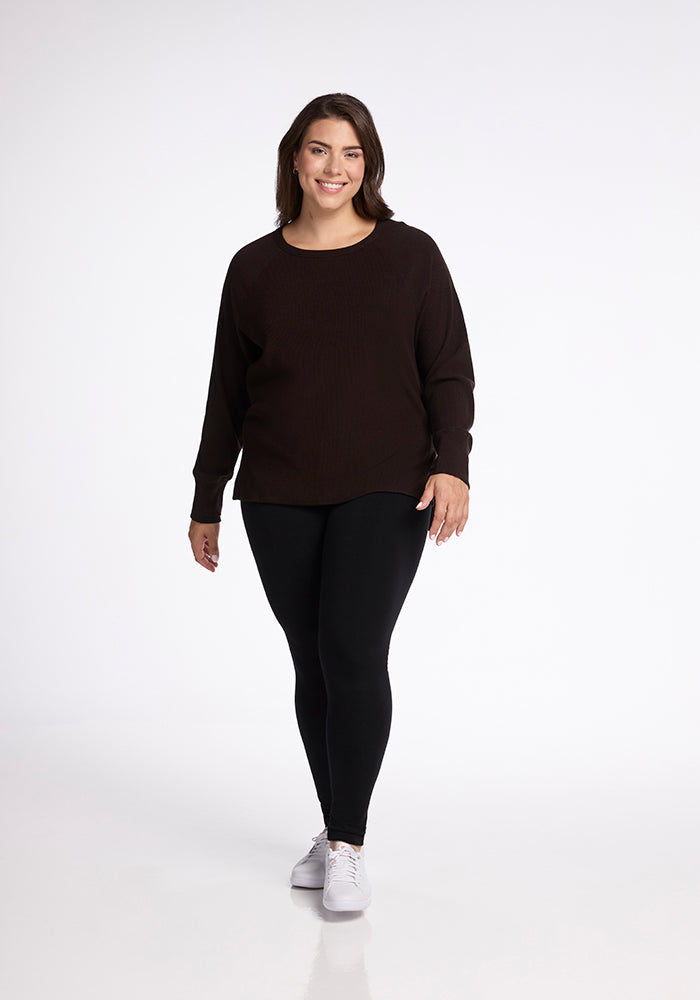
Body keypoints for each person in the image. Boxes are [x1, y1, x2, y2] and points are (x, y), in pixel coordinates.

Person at [187, 93, 475, 912]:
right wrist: (208, 495)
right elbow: (227, 393)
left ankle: (347, 843)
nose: (334, 168)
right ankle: (333, 823)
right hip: (277, 490)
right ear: (294, 160)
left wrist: (452, 463)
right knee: (313, 660)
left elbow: (448, 369)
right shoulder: (253, 267)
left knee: (352, 649)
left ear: (369, 165)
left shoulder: (410, 256)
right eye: (319, 151)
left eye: (350, 154)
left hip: (389, 483)